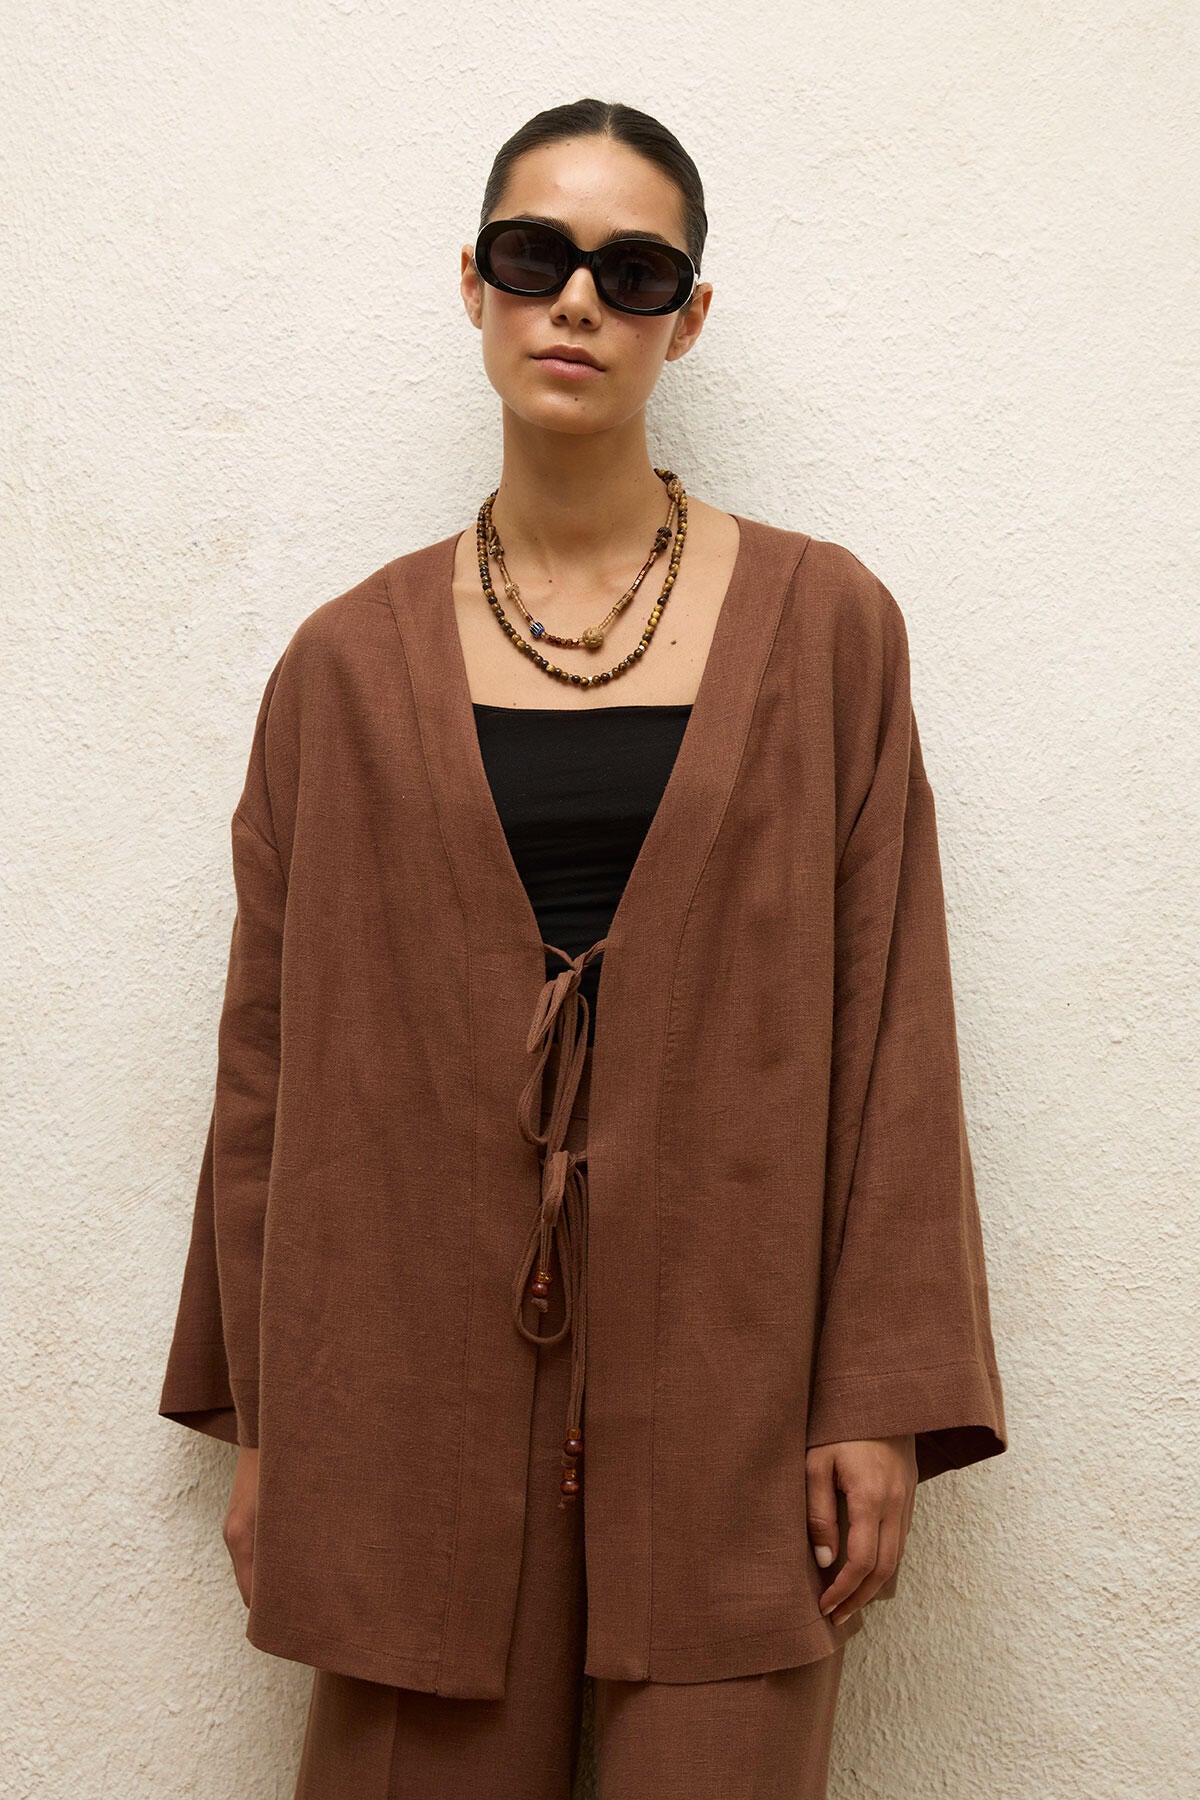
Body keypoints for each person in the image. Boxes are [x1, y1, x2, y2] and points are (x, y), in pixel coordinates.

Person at [158, 98, 1008, 1800]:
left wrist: (875, 1396)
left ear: (687, 319)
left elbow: (890, 1029)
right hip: (400, 1389)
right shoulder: (342, 670)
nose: (577, 302)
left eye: (635, 272)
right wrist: (277, 1425)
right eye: (537, 254)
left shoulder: (829, 634)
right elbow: (268, 1069)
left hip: (737, 1382)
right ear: (473, 281)